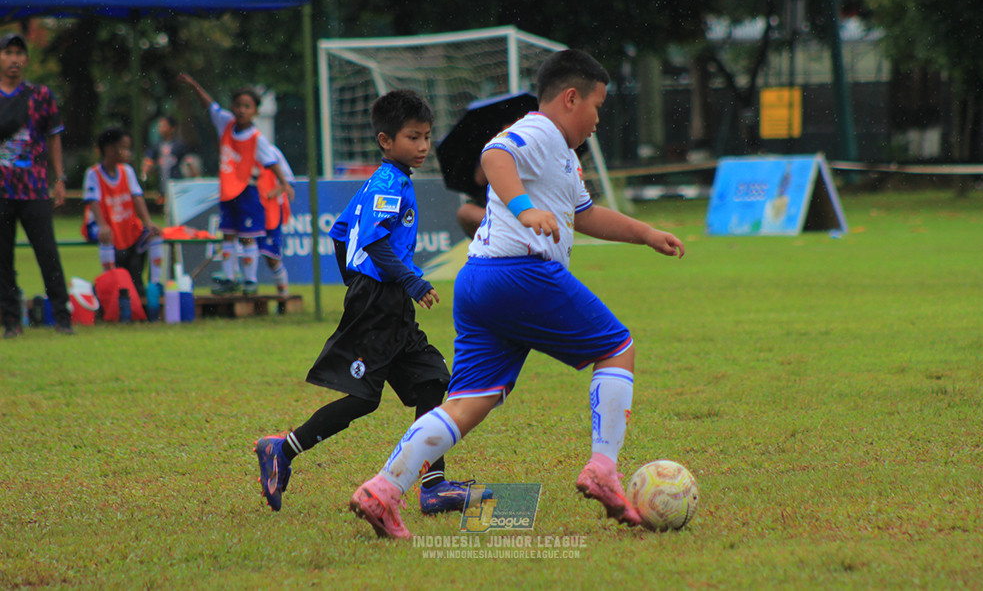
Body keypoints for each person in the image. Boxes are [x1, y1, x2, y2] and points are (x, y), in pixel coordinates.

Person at [349, 50, 685, 539]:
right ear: (571, 98)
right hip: (521, 274)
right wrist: (526, 211)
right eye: (597, 106)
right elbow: (494, 155)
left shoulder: (563, 156)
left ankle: (382, 489)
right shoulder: (541, 130)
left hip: (480, 281)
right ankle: (603, 468)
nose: (597, 119)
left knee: (467, 403)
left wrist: (646, 233)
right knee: (617, 349)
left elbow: (586, 215)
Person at [253, 89, 488, 515]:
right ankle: (280, 450)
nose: (422, 146)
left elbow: (342, 232)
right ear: (386, 140)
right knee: (364, 398)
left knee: (434, 379)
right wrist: (404, 282)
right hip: (381, 301)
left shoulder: (386, 181)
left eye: (425, 137)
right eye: (413, 137)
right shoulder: (386, 183)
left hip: (387, 300)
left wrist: (357, 278)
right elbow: (376, 243)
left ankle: (433, 485)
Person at [177, 73, 292, 296]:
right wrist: (194, 85)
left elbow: (271, 161)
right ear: (233, 107)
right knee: (228, 234)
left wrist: (285, 183)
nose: (241, 110)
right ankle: (230, 278)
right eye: (238, 105)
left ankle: (250, 280)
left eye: (247, 106)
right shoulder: (226, 124)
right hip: (228, 192)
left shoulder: (256, 137)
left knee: (247, 236)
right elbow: (210, 105)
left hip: (248, 192)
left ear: (255, 111)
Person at [0, 32, 74, 338]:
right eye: (8, 52)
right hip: (1, 191)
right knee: (3, 260)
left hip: (34, 188)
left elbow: (54, 136)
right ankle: (11, 322)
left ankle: (62, 318)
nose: (14, 58)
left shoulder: (40, 95)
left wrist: (59, 178)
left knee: (47, 253)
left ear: (27, 59)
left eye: (19, 52)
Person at [83, 126, 162, 295]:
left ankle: (155, 287)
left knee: (155, 234)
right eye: (124, 148)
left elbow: (137, 197)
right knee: (106, 235)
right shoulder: (93, 174)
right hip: (101, 223)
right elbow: (93, 202)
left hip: (124, 223)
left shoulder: (127, 171)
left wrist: (148, 223)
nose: (128, 152)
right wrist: (103, 226)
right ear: (110, 150)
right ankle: (111, 284)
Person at [255, 143, 294, 297]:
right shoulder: (238, 150)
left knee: (271, 257)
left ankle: (283, 295)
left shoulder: (271, 152)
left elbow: (288, 181)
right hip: (249, 211)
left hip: (270, 213)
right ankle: (246, 294)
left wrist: (270, 194)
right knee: (245, 251)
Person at [141, 115, 188, 204]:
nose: (161, 129)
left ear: (172, 128)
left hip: (176, 184)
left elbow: (187, 161)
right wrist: (145, 171)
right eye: (160, 126)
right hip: (162, 184)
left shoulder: (179, 145)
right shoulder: (157, 145)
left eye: (164, 126)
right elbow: (149, 160)